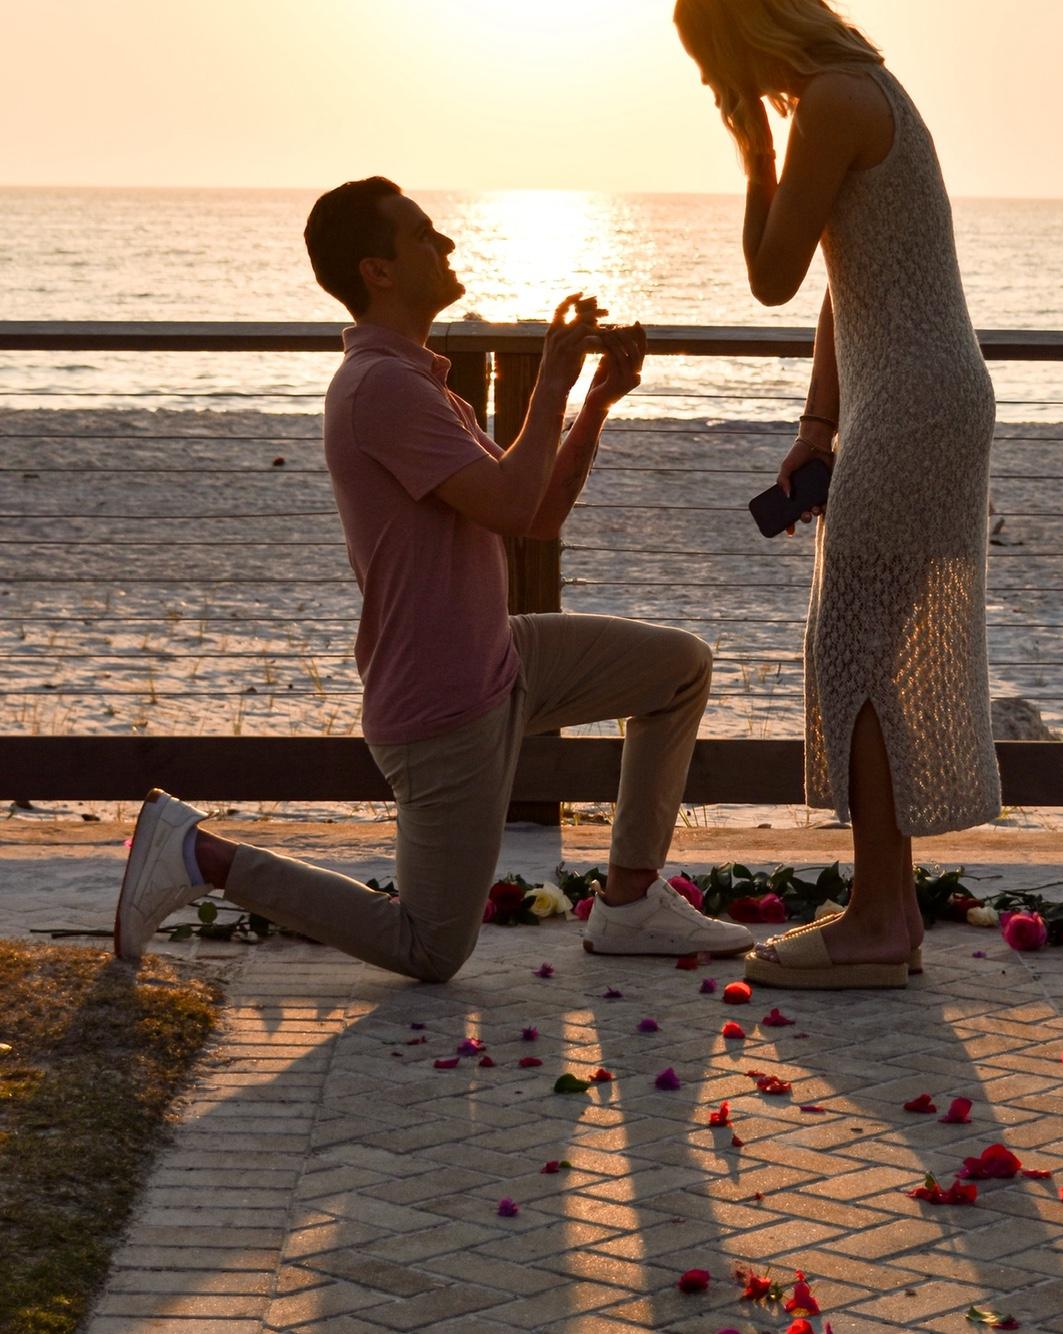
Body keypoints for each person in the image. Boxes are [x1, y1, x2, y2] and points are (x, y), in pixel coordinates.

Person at [114, 176, 753, 980]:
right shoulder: (380, 388)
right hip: (442, 703)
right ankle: (200, 855)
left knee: (677, 668)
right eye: (423, 235)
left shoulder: (418, 383)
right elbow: (518, 508)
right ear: (377, 270)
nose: (445, 244)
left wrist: (595, 402)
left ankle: (627, 904)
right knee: (431, 948)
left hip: (501, 655)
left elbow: (538, 512)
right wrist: (551, 379)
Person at [675, 0, 1001, 988]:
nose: (713, 88)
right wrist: (818, 426)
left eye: (712, 68)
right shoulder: (865, 88)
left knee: (852, 647)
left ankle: (875, 914)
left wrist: (750, 149)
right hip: (903, 401)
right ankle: (885, 906)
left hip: (912, 407)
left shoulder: (829, 101)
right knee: (862, 646)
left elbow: (773, 274)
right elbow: (842, 276)